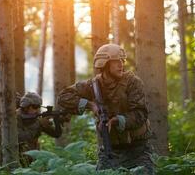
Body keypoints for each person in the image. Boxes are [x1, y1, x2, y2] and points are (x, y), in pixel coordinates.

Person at [57, 44, 154, 174]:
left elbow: (140, 114)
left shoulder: (133, 82)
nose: (121, 64)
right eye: (116, 61)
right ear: (105, 64)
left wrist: (117, 121)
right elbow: (64, 97)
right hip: (111, 149)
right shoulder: (93, 85)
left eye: (122, 61)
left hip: (138, 149)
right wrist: (91, 105)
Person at [17, 92, 62, 167]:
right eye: (35, 106)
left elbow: (56, 134)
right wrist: (39, 124)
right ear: (26, 106)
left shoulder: (36, 119)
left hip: (33, 157)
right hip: (18, 157)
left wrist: (56, 120)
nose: (37, 109)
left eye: (38, 107)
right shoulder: (15, 118)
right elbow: (20, 137)